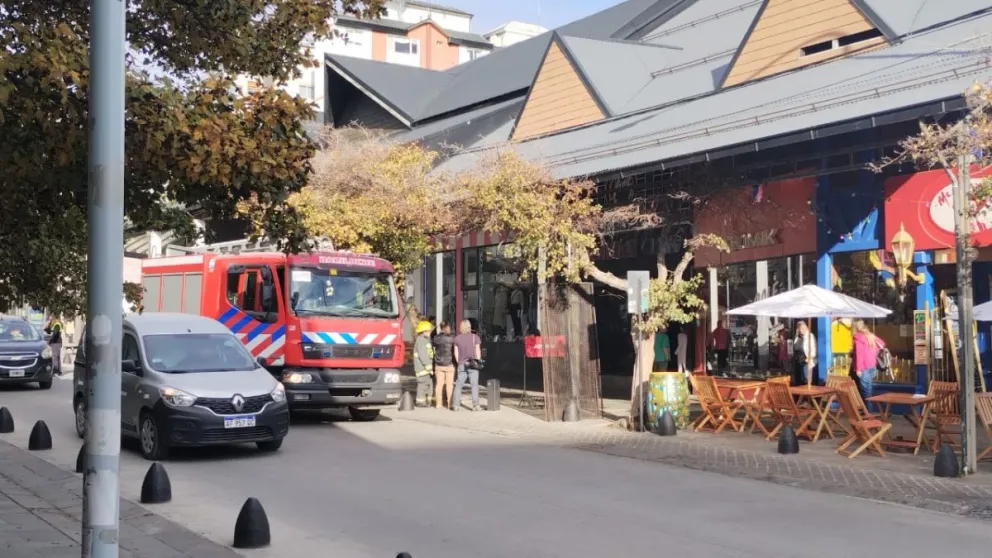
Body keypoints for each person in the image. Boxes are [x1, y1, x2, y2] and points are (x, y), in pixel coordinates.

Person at [851, 319, 884, 411]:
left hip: (864, 368)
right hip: (872, 365)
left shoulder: (858, 337)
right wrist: (871, 353)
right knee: (868, 389)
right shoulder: (870, 336)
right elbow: (881, 344)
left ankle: (869, 412)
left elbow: (859, 354)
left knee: (866, 391)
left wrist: (858, 369)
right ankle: (868, 410)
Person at [452, 320, 482, 411]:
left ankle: (455, 405)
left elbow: (456, 352)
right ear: (469, 327)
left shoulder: (457, 338)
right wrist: (478, 361)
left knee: (458, 384)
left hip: (462, 364)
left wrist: (459, 362)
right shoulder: (475, 337)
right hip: (473, 364)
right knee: (474, 385)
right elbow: (478, 351)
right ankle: (475, 405)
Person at [433, 322, 456, 410]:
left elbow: (432, 345)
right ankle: (449, 404)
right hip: (449, 364)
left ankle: (438, 404)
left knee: (439, 384)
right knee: (449, 385)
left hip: (439, 364)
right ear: (447, 327)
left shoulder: (436, 338)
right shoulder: (451, 338)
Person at [413, 320, 435, 407]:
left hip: (425, 369)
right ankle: (420, 402)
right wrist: (429, 367)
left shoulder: (425, 340)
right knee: (422, 386)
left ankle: (428, 401)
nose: (430, 332)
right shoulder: (421, 341)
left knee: (429, 385)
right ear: (423, 331)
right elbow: (423, 356)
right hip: (422, 369)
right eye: (429, 331)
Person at [792, 321, 817, 386]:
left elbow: (814, 349)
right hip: (800, 362)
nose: (803, 330)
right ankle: (805, 396)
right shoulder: (798, 337)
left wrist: (808, 358)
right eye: (801, 328)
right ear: (798, 329)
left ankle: (810, 395)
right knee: (803, 380)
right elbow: (795, 347)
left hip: (807, 362)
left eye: (804, 328)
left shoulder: (810, 336)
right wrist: (797, 335)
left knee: (808, 380)